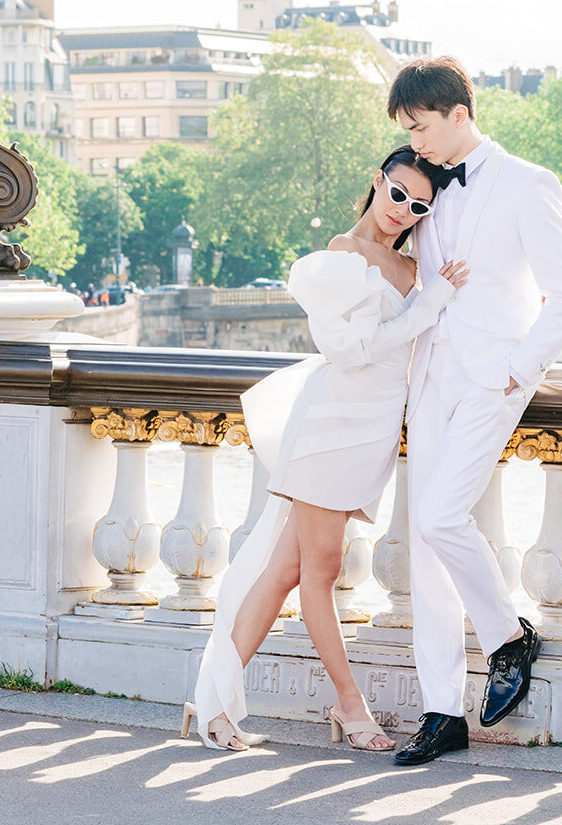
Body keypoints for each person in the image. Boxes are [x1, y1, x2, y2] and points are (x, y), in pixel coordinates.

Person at [183, 145, 469, 753]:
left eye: (418, 205)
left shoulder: (415, 266)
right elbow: (355, 351)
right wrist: (432, 304)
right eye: (398, 194)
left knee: (287, 569)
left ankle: (210, 704)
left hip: (369, 431)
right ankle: (348, 704)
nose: (403, 211)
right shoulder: (341, 256)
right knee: (322, 572)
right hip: (334, 426)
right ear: (378, 181)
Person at [388, 56, 562, 767]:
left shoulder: (529, 184)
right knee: (425, 541)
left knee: (442, 517)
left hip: (490, 380)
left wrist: (517, 370)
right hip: (430, 375)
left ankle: (507, 637)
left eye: (420, 128)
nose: (415, 144)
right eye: (406, 133)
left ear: (458, 114)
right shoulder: (426, 185)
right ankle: (440, 710)